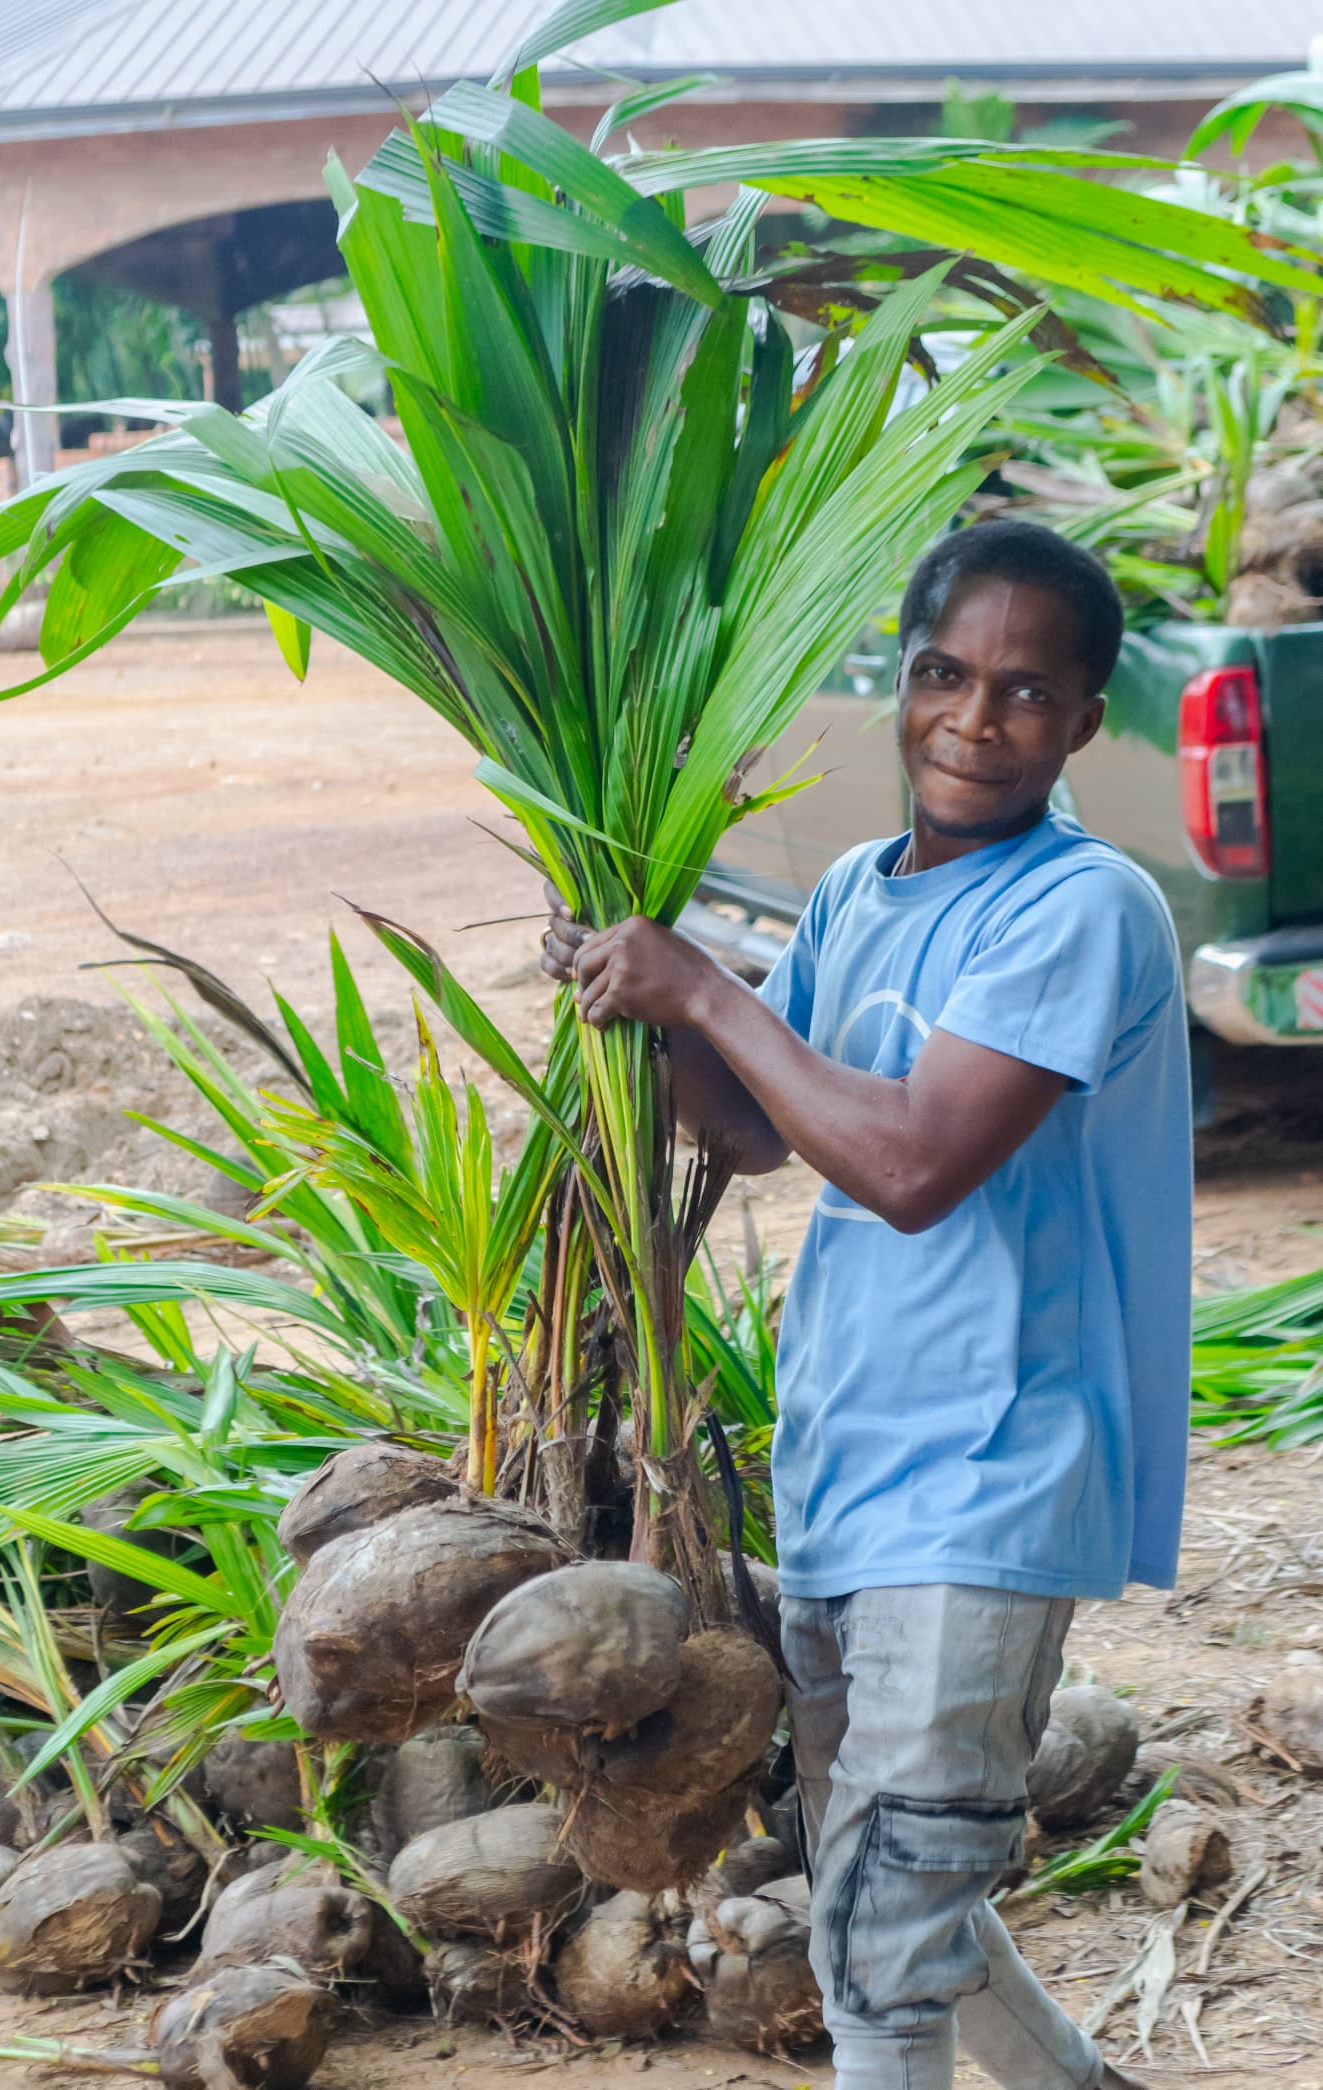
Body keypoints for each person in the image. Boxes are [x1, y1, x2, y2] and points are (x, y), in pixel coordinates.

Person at [541, 518, 1190, 2090]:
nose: (976, 720)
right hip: (850, 1464)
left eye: (1027, 692)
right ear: (898, 684)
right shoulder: (852, 889)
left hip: (991, 1473)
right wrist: (644, 993)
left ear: (1085, 721)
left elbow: (907, 1165)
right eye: (944, 675)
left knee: (883, 1949)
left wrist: (705, 988)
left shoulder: (1080, 908)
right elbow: (765, 1131)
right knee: (897, 1919)